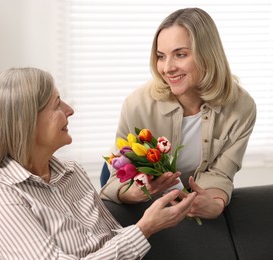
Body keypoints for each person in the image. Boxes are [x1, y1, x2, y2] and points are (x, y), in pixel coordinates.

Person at [0, 67, 196, 259]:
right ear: (27, 120)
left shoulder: (72, 173)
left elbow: (111, 239)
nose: (70, 110)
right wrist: (145, 228)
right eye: (57, 104)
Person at [100, 7, 256, 220]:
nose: (167, 68)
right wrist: (133, 193)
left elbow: (220, 173)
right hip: (125, 176)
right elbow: (115, 181)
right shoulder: (137, 104)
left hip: (186, 186)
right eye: (161, 56)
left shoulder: (242, 107)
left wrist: (214, 204)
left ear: (208, 54)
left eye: (180, 54)